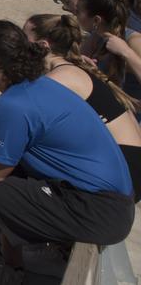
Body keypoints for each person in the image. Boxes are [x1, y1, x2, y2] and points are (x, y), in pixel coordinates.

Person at [0, 21, 134, 283]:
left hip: (99, 209)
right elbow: (9, 156)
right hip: (108, 202)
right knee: (8, 185)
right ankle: (14, 268)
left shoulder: (14, 103)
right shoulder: (37, 88)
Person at [25, 13, 141, 200]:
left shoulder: (60, 78)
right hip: (127, 160)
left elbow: (29, 125)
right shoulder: (72, 67)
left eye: (24, 40)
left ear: (43, 45)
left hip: (124, 168)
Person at [76, 0, 141, 109]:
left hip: (132, 119)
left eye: (78, 11)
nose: (75, 15)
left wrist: (127, 53)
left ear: (96, 20)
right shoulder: (97, 37)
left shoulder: (134, 40)